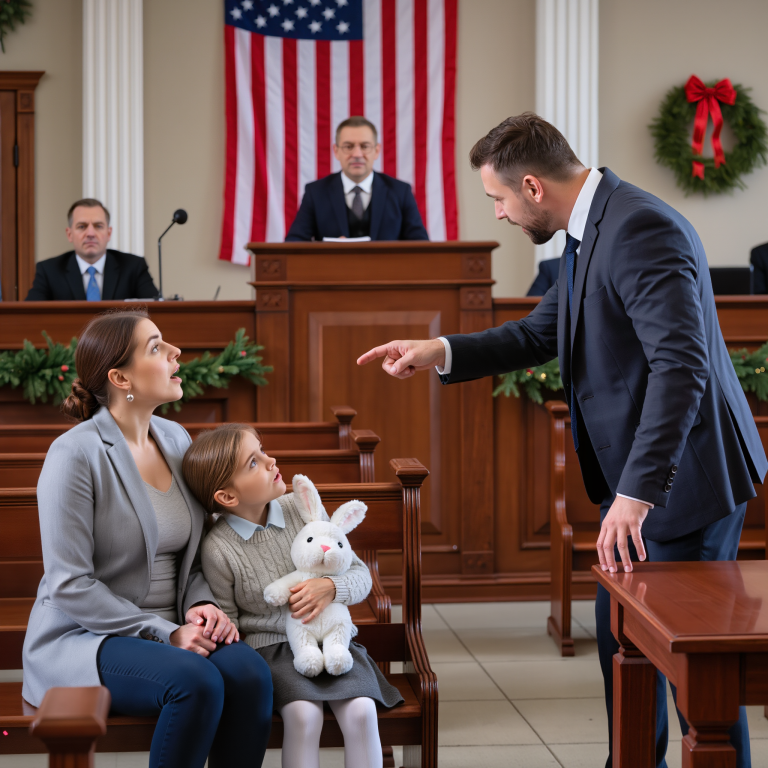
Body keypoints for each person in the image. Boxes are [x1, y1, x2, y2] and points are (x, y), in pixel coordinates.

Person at [357, 113, 766, 768]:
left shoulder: (639, 230)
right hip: (638, 485)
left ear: (532, 186)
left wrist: (636, 495)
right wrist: (438, 349)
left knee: (695, 677)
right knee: (622, 642)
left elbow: (680, 368)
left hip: (679, 483)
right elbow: (542, 331)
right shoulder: (589, 227)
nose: (498, 214)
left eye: (497, 198)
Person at [21, 310, 273, 768]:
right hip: (88, 637)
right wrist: (166, 632)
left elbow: (193, 556)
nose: (176, 352)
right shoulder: (74, 454)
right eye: (156, 347)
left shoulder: (176, 439)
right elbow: (69, 584)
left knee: (250, 675)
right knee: (196, 681)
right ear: (121, 377)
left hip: (178, 625)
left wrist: (202, 606)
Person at [183, 424, 403, 768]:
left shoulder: (301, 509)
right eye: (253, 463)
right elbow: (230, 626)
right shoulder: (219, 549)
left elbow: (361, 576)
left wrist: (332, 587)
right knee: (303, 716)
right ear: (227, 496)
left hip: (333, 640)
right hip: (272, 651)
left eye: (263, 450)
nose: (270, 460)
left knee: (362, 712)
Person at [285, 116, 429, 242]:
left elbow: (421, 245)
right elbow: (294, 243)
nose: (357, 154)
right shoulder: (316, 192)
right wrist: (325, 250)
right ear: (336, 151)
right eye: (348, 146)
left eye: (365, 146)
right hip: (333, 272)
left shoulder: (400, 192)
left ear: (376, 151)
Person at [25, 198, 158, 301]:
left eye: (98, 226)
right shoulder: (49, 270)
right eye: (82, 226)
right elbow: (30, 316)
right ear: (69, 234)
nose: (90, 233)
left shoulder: (134, 267)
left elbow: (156, 312)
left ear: (109, 233)